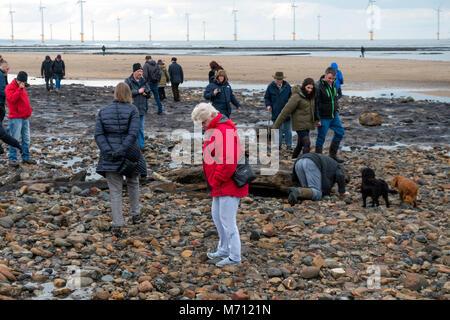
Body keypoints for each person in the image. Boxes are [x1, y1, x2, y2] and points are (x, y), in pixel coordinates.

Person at [191, 102, 248, 267]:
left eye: (203, 122)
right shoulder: (215, 129)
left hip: (227, 183)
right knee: (217, 216)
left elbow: (228, 162)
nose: (202, 126)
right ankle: (223, 249)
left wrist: (216, 179)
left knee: (227, 220)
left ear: (210, 116)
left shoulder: (225, 130)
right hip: (219, 183)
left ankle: (235, 256)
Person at [94, 83, 147, 237]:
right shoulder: (133, 110)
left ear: (115, 94)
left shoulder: (103, 111)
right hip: (130, 154)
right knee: (133, 182)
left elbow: (98, 135)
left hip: (110, 156)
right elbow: (133, 133)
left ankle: (118, 224)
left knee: (115, 190)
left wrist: (108, 150)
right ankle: (135, 214)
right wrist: (122, 150)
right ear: (129, 94)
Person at [273, 78, 319, 159]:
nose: (310, 90)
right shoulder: (296, 97)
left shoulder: (311, 96)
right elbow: (285, 112)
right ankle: (305, 163)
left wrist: (316, 120)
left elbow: (313, 110)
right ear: (304, 86)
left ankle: (293, 159)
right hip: (299, 124)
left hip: (307, 124)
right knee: (307, 143)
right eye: (308, 87)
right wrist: (276, 126)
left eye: (312, 88)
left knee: (300, 145)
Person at [5, 71, 36, 167]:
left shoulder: (21, 87)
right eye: (22, 82)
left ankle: (26, 157)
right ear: (18, 80)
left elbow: (24, 100)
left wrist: (29, 110)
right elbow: (12, 99)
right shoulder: (9, 88)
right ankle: (12, 159)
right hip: (15, 118)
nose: (23, 84)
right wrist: (19, 89)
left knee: (26, 139)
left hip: (25, 117)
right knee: (14, 139)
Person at [315, 67, 345, 163]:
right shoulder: (318, 86)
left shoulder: (334, 84)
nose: (331, 80)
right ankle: (318, 158)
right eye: (329, 78)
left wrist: (337, 108)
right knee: (321, 137)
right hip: (323, 117)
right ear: (325, 75)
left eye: (333, 78)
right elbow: (314, 104)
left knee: (340, 132)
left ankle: (332, 155)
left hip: (333, 115)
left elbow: (334, 98)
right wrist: (317, 118)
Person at [124, 63, 151, 150]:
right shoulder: (128, 81)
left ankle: (141, 146)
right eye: (139, 71)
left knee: (140, 128)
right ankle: (129, 144)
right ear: (134, 71)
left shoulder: (143, 81)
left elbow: (149, 93)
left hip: (142, 109)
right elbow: (126, 93)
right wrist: (138, 91)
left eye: (141, 71)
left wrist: (146, 93)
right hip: (131, 109)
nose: (140, 73)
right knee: (130, 128)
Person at [264, 72, 292, 150]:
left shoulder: (287, 86)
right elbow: (266, 98)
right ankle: (278, 146)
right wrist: (268, 105)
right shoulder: (270, 87)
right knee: (277, 130)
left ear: (282, 79)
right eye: (277, 79)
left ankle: (289, 146)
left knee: (288, 130)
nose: (279, 80)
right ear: (274, 78)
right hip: (276, 112)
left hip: (287, 113)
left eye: (280, 79)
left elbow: (292, 97)